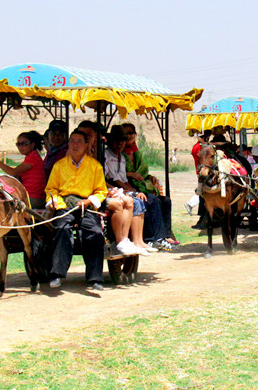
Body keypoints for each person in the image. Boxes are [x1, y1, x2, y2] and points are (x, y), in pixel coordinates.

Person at [44, 129, 108, 291]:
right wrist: (55, 203)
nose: (75, 145)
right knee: (61, 228)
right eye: (72, 141)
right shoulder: (59, 166)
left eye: (79, 141)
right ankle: (57, 274)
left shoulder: (95, 166)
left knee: (95, 232)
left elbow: (101, 191)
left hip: (86, 206)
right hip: (65, 205)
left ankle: (95, 278)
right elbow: (51, 189)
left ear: (87, 145)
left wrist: (88, 201)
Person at [122, 122, 177, 249]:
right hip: (130, 187)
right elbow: (116, 174)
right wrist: (130, 174)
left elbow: (142, 172)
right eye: (125, 133)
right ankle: (156, 237)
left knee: (166, 201)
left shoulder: (136, 153)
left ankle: (167, 235)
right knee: (153, 201)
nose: (128, 136)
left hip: (142, 185)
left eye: (131, 133)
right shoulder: (119, 153)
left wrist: (150, 177)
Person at [103, 125, 155, 256]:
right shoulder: (106, 155)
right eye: (117, 140)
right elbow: (114, 180)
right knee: (134, 201)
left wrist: (133, 190)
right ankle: (124, 240)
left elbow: (123, 179)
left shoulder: (121, 157)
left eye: (122, 140)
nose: (120, 143)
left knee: (139, 200)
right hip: (111, 188)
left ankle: (138, 240)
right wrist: (129, 191)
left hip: (119, 187)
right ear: (110, 141)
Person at [0, 131, 47, 209]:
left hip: (33, 198)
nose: (21, 147)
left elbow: (13, 172)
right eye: (18, 144)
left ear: (32, 144)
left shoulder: (33, 158)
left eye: (24, 144)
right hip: (31, 195)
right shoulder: (32, 157)